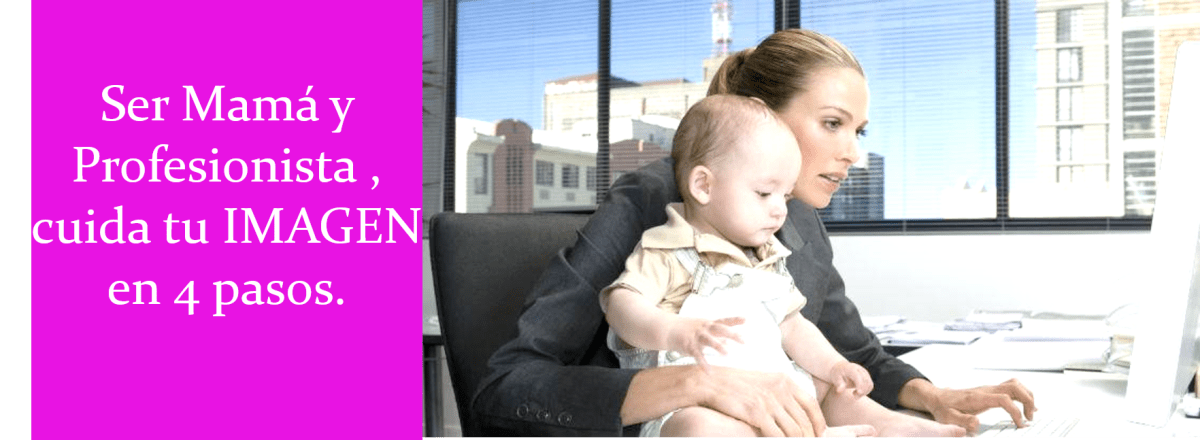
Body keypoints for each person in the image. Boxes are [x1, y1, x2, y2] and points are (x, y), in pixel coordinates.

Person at [472, 28, 1036, 438]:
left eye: (859, 131)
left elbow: (854, 349)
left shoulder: (799, 221)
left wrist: (931, 395)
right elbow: (506, 386)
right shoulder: (652, 199)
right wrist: (696, 383)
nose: (852, 153)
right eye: (832, 123)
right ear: (758, 114)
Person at [601, 94, 964, 438]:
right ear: (703, 186)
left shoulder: (767, 257)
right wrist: (673, 332)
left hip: (776, 393)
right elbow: (621, 303)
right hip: (699, 402)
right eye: (764, 193)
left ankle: (888, 426)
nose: (779, 210)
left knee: (829, 389)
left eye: (785, 196)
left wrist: (835, 366)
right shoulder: (668, 249)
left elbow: (793, 326)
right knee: (698, 426)